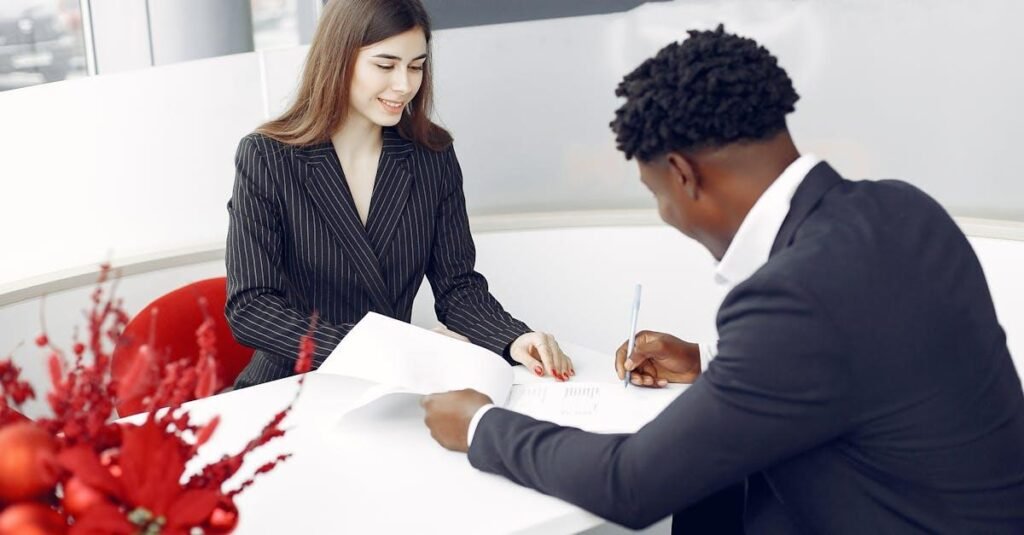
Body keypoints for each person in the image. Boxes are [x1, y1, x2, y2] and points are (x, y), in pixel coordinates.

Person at [421, 25, 1024, 533]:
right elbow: (870, 353)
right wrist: (710, 362)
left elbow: (629, 484)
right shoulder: (901, 209)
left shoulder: (796, 294)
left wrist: (480, 426)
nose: (667, 213)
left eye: (656, 194)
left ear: (683, 176)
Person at [225, 0, 574, 388]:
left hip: (392, 389)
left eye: (416, 66)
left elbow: (457, 286)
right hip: (289, 389)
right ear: (339, 59)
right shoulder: (268, 156)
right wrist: (389, 350)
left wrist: (512, 338)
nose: (404, 85)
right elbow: (252, 308)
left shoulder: (431, 156)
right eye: (385, 65)